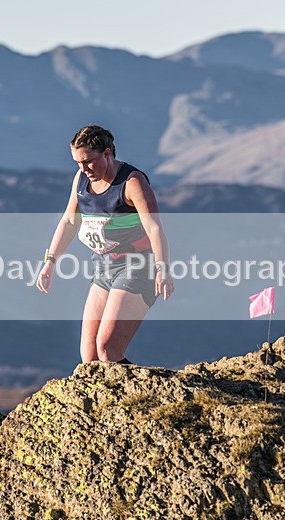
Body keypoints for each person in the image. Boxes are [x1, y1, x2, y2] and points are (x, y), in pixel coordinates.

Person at [37, 125, 174, 364]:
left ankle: (143, 397)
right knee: (89, 358)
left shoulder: (132, 183)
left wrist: (163, 268)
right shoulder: (81, 179)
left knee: (108, 349)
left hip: (139, 267)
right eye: (78, 162)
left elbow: (154, 227)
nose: (83, 169)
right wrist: (50, 262)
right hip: (104, 268)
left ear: (108, 153)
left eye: (89, 161)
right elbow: (70, 220)